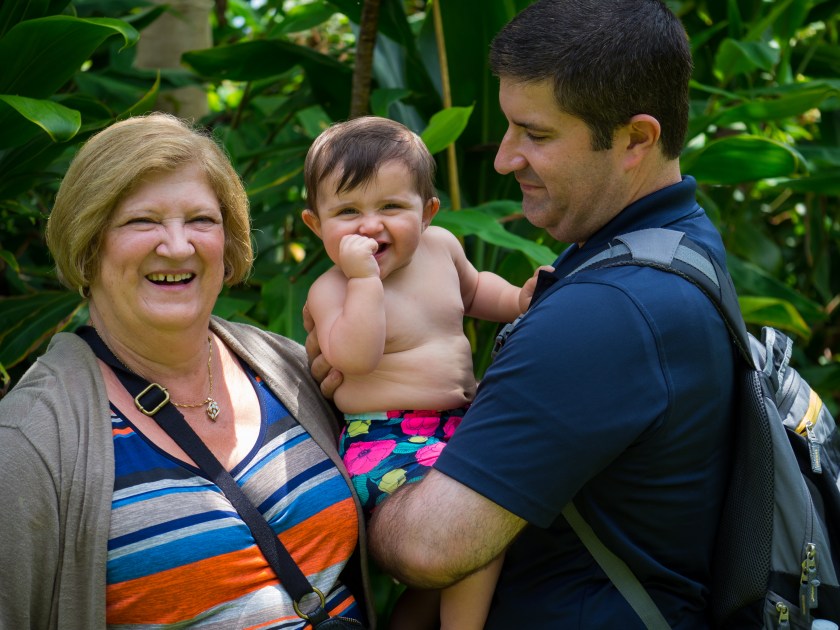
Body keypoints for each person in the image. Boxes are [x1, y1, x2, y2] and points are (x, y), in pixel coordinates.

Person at [307, 1, 737, 627]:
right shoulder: (678, 244)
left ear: (635, 139)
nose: (504, 157)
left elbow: (431, 547)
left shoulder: (611, 308)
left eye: (535, 134)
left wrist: (328, 506)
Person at [0, 113, 373, 629]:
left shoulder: (289, 370)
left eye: (200, 220)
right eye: (142, 221)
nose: (178, 246)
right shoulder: (29, 442)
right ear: (87, 243)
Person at [301, 115, 545, 630]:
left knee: (464, 555)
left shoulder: (442, 249)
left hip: (457, 426)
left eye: (391, 207)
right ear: (315, 225)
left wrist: (518, 300)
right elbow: (356, 357)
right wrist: (363, 281)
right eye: (347, 211)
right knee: (476, 520)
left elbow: (475, 291)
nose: (370, 226)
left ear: (427, 212)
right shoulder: (332, 290)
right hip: (385, 441)